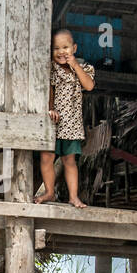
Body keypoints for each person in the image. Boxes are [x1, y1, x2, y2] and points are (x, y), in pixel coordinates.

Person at [35, 28, 96, 208]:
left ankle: (73, 196)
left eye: (65, 47)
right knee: (46, 157)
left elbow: (89, 86)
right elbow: (48, 90)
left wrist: (75, 65)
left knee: (69, 161)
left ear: (74, 48)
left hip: (72, 125)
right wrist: (50, 108)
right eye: (56, 48)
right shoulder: (50, 69)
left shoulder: (84, 68)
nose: (61, 52)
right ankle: (49, 192)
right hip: (53, 123)